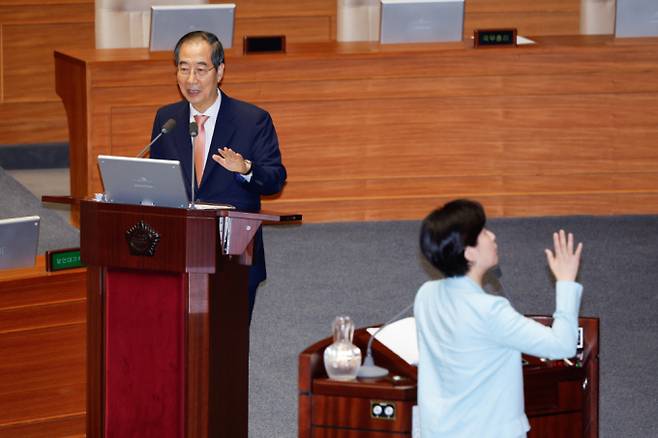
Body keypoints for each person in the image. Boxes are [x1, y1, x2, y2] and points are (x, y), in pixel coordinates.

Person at [414, 199, 583, 437]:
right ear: (469, 252)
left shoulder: (425, 295)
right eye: (483, 232)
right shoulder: (490, 310)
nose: (492, 236)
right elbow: (563, 345)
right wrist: (565, 282)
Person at [150, 30, 287, 320]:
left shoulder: (252, 120)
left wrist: (246, 169)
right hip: (179, 248)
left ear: (220, 71)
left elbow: (275, 178)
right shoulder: (167, 119)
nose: (191, 80)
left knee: (228, 344)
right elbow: (158, 180)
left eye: (201, 70)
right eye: (184, 68)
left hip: (233, 252)